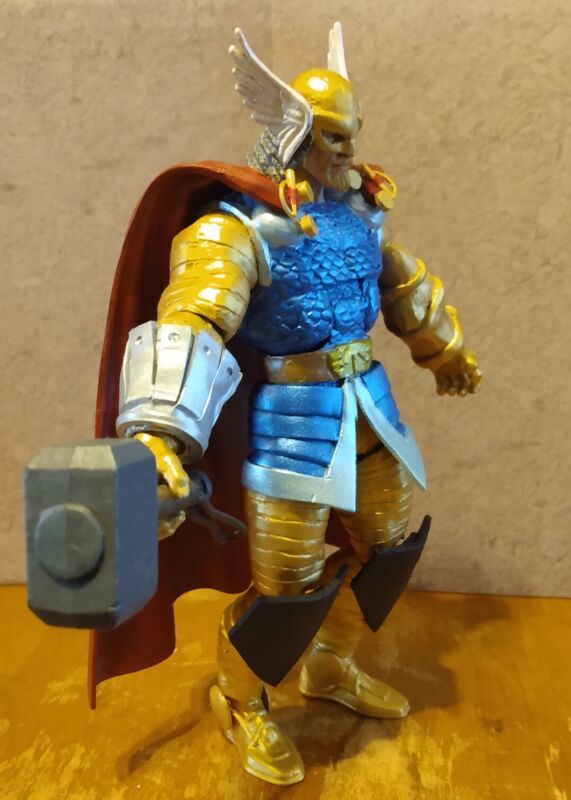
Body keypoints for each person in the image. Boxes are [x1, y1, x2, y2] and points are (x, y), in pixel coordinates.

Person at [103, 23, 481, 786]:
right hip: (292, 424)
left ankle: (330, 665)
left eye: (352, 133)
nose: (348, 150)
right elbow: (194, 316)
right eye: (333, 136)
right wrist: (158, 430)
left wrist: (443, 349)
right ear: (294, 135)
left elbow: (399, 280)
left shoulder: (359, 211)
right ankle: (241, 699)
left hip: (371, 408)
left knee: (386, 553)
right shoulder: (239, 226)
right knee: (287, 589)